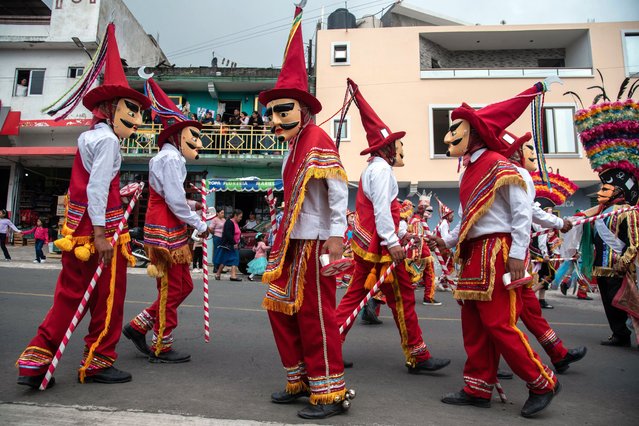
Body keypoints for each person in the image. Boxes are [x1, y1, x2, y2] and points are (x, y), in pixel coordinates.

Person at [16, 23, 150, 388]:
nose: (136, 121)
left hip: (77, 231)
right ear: (110, 107)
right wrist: (104, 233)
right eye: (131, 110)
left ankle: (36, 359)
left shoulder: (88, 136)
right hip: (99, 233)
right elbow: (95, 187)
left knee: (69, 295)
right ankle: (99, 360)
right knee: (108, 297)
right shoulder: (108, 141)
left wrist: (118, 195)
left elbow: (92, 186)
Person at [432, 81, 560, 418]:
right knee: (473, 324)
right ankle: (477, 386)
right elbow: (468, 219)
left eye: (456, 128)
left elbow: (521, 213)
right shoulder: (471, 169)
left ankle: (541, 381)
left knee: (500, 324)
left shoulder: (502, 166)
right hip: (475, 252)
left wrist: (518, 253)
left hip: (497, 253)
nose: (448, 136)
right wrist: (445, 241)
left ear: (474, 132)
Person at [259, 3, 352, 419]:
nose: (276, 120)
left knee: (316, 316)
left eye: (284, 111)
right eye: (272, 113)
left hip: (315, 241)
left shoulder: (317, 139)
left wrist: (336, 235)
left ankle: (330, 392)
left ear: (304, 109)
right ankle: (299, 379)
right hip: (292, 244)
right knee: (280, 308)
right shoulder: (293, 147)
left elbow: (337, 189)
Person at [335, 78, 450, 376]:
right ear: (388, 147)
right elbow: (382, 210)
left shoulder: (370, 169)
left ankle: (327, 346)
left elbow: (381, 212)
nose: (402, 148)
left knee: (355, 296)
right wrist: (394, 240)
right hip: (382, 250)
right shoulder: (383, 170)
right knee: (403, 298)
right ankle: (418, 354)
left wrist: (400, 232)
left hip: (370, 246)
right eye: (398, 144)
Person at [123, 76, 209, 364]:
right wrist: (199, 222)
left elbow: (172, 197)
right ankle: (161, 344)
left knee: (183, 286)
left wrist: (193, 207)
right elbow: (173, 201)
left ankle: (139, 325)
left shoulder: (169, 158)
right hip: (166, 231)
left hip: (168, 227)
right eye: (192, 136)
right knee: (173, 287)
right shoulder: (170, 159)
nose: (197, 142)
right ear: (177, 135)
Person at [574, 92, 639, 348]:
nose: (600, 192)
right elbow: (580, 222)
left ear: (620, 191)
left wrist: (624, 263)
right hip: (601, 265)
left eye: (606, 188)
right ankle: (619, 334)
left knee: (628, 301)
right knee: (610, 303)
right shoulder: (601, 212)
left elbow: (634, 241)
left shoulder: (629, 212)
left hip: (619, 265)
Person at [215, 209, 242, 282]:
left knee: (226, 259)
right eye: (240, 217)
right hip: (230, 245)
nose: (240, 218)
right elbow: (228, 234)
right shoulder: (229, 222)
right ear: (235, 216)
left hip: (234, 244)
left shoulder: (236, 223)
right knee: (235, 259)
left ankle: (218, 274)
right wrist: (234, 243)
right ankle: (233, 276)